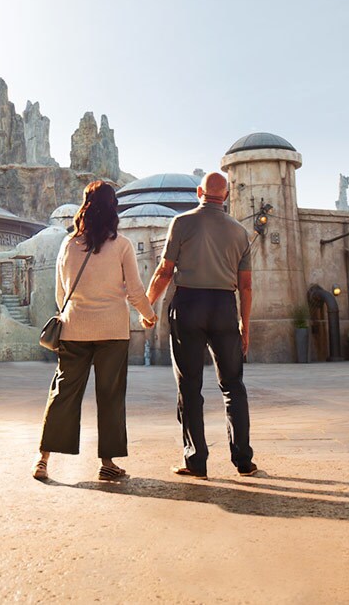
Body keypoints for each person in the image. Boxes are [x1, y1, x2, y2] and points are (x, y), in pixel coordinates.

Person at [35, 181, 159, 482]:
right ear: (113, 208)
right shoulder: (122, 245)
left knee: (63, 393)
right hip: (112, 332)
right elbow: (134, 290)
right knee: (111, 396)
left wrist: (77, 310)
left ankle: (43, 460)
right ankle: (107, 462)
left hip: (73, 328)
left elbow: (60, 293)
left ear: (85, 207)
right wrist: (149, 316)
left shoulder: (68, 244)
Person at [145, 172, 257, 479]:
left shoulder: (181, 223)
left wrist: (146, 306)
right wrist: (244, 327)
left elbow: (164, 272)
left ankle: (196, 461)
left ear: (199, 192)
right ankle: (243, 460)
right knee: (233, 386)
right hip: (224, 307)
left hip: (189, 306)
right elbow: (246, 288)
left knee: (189, 387)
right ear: (227, 195)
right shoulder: (240, 232)